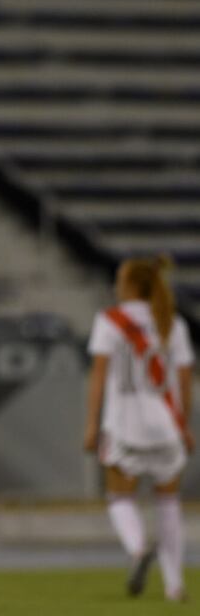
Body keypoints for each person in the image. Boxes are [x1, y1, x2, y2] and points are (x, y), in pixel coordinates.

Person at [84, 256, 194, 602]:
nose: (117, 284)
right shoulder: (171, 323)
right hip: (165, 427)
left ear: (130, 285)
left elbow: (99, 376)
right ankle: (175, 586)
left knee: (119, 498)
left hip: (124, 426)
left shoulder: (110, 321)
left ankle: (137, 548)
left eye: (120, 279)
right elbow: (185, 380)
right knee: (169, 505)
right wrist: (185, 425)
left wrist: (91, 425)